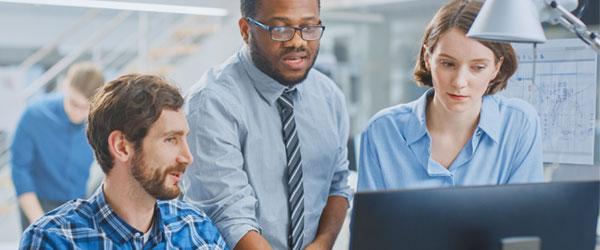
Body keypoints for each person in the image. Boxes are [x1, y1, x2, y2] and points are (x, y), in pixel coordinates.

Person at [182, 0, 352, 249]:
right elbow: (229, 216)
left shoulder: (328, 96)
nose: (298, 42)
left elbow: (338, 183)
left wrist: (323, 243)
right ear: (245, 30)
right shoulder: (211, 103)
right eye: (280, 29)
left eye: (309, 27)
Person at [19, 74, 229, 249]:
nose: (187, 157)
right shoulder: (54, 240)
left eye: (185, 138)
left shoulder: (197, 228)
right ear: (121, 146)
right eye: (171, 140)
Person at [358, 0, 544, 192]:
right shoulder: (383, 131)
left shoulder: (519, 123)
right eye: (448, 64)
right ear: (427, 58)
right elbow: (371, 221)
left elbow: (527, 217)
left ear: (496, 68)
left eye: (478, 67)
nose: (459, 82)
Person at [11, 62, 105, 231]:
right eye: (74, 103)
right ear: (65, 86)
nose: (78, 113)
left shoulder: (99, 123)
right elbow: (20, 169)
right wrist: (40, 223)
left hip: (76, 205)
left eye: (86, 108)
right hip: (37, 203)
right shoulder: (34, 115)